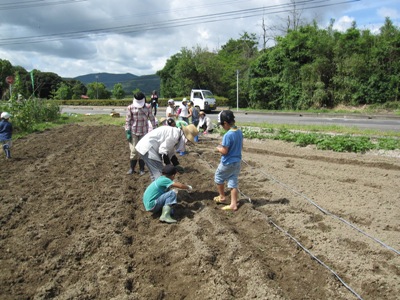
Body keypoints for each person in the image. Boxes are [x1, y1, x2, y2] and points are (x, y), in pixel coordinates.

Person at [214, 110, 243, 211]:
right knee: (232, 181)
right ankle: (233, 204)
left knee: (218, 177)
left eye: (222, 125)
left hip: (227, 162)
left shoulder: (228, 135)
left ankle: (222, 197)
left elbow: (224, 151)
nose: (222, 127)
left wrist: (218, 148)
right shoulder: (239, 131)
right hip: (237, 162)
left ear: (225, 123)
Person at [125, 92, 156, 175]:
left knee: (143, 151)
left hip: (144, 132)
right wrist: (127, 131)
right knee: (134, 151)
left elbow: (152, 118)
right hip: (133, 132)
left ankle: (142, 169)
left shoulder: (148, 107)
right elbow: (128, 120)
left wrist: (154, 128)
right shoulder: (130, 107)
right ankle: (132, 169)